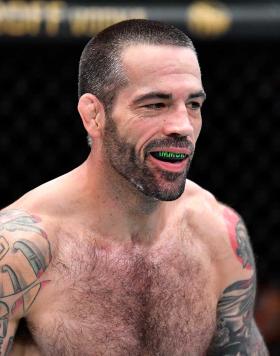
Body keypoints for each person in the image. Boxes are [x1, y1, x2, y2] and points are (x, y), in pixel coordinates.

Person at [0, 19, 268, 355]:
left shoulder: (218, 231)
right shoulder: (18, 249)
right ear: (93, 115)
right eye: (155, 104)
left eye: (194, 105)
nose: (182, 126)